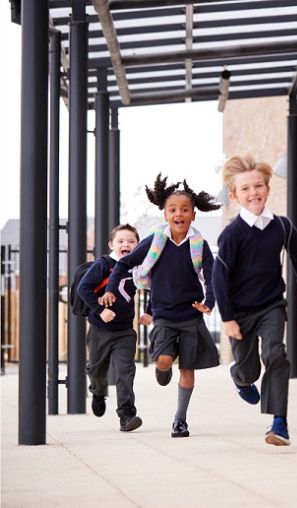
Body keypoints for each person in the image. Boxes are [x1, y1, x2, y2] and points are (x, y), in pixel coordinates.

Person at [213, 154, 297, 447]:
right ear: (235, 195)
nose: (254, 192)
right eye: (246, 189)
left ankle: (279, 423)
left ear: (268, 189)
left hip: (272, 305)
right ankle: (239, 376)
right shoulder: (231, 234)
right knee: (249, 369)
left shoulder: (282, 226)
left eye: (259, 186)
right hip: (238, 311)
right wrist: (227, 319)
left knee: (277, 355)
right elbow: (219, 277)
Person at [102, 174, 220, 439]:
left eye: (184, 209)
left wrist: (209, 302)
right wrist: (110, 288)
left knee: (187, 369)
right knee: (165, 360)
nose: (179, 214)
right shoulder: (156, 240)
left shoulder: (199, 244)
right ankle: (162, 368)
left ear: (193, 215)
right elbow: (124, 263)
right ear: (165, 214)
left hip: (190, 314)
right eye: (173, 210)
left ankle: (180, 420)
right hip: (164, 315)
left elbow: (211, 276)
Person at [78, 224, 149, 432]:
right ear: (111, 245)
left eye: (131, 241)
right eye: (121, 241)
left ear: (137, 246)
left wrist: (151, 311)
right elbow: (84, 288)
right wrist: (100, 310)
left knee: (124, 373)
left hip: (125, 331)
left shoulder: (139, 267)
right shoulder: (104, 264)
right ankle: (98, 392)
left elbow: (155, 286)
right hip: (100, 330)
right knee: (97, 371)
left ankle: (127, 415)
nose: (126, 244)